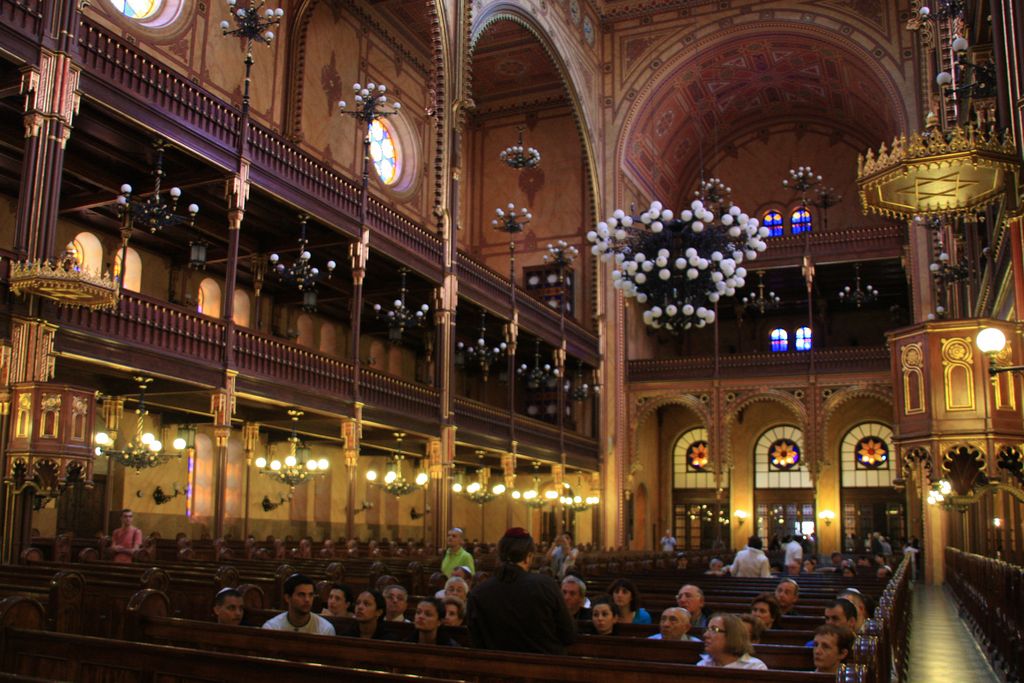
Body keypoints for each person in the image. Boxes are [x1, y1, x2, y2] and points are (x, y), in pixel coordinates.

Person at [466, 527, 575, 654]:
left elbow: (475, 641)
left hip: (496, 669)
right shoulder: (546, 585)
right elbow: (569, 635)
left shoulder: (478, 592)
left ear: (500, 554)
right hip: (543, 669)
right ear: (528, 557)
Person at [261, 573, 335, 635]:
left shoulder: (325, 629)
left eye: (310, 595)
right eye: (301, 595)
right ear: (287, 598)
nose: (307, 600)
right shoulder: (272, 628)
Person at [698, 613, 767, 670]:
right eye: (707, 629)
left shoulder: (755, 668)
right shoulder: (703, 665)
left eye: (714, 629)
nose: (705, 635)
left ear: (732, 635)